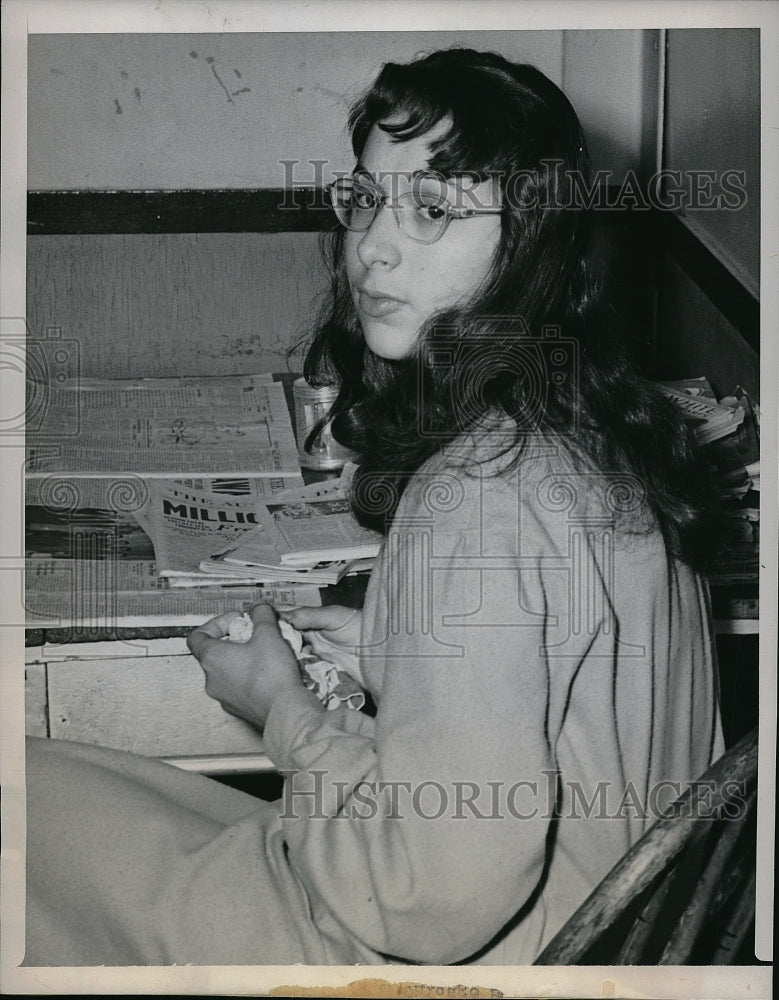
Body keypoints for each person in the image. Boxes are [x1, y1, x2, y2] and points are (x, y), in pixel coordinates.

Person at [24, 48, 724, 967]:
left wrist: (281, 707)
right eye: (365, 198)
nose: (373, 246)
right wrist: (402, 648)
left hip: (429, 960)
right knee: (57, 786)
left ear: (531, 243)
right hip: (595, 929)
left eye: (433, 210)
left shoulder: (472, 499)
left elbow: (431, 907)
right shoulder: (595, 431)